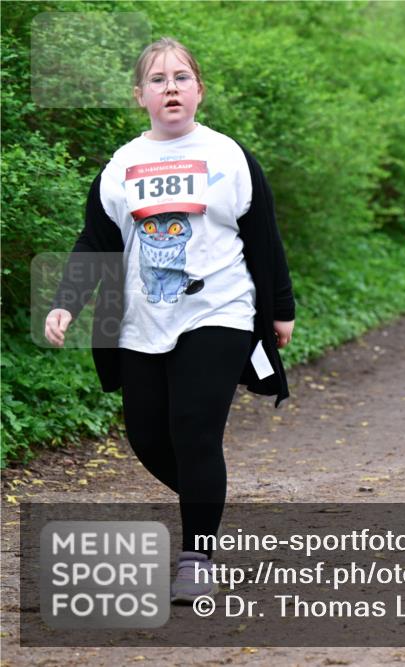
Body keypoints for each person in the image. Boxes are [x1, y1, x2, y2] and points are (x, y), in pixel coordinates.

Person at [44, 38, 295, 601]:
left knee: (193, 427)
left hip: (219, 309)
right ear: (141, 96)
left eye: (181, 77)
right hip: (141, 319)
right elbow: (96, 241)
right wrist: (66, 302)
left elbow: (264, 236)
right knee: (147, 436)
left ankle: (196, 557)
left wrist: (281, 308)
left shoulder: (228, 156)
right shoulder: (121, 165)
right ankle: (207, 507)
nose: (171, 88)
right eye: (158, 80)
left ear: (199, 90)